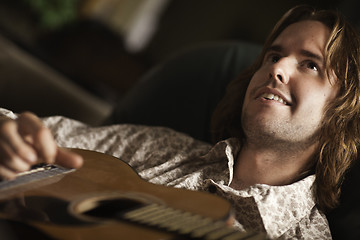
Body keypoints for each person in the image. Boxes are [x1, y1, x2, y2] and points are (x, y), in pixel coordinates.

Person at [0, 5, 359, 239]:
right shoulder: (162, 147)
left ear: (343, 109)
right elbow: (31, 134)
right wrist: (10, 135)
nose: (276, 68)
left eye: (311, 64)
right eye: (274, 55)